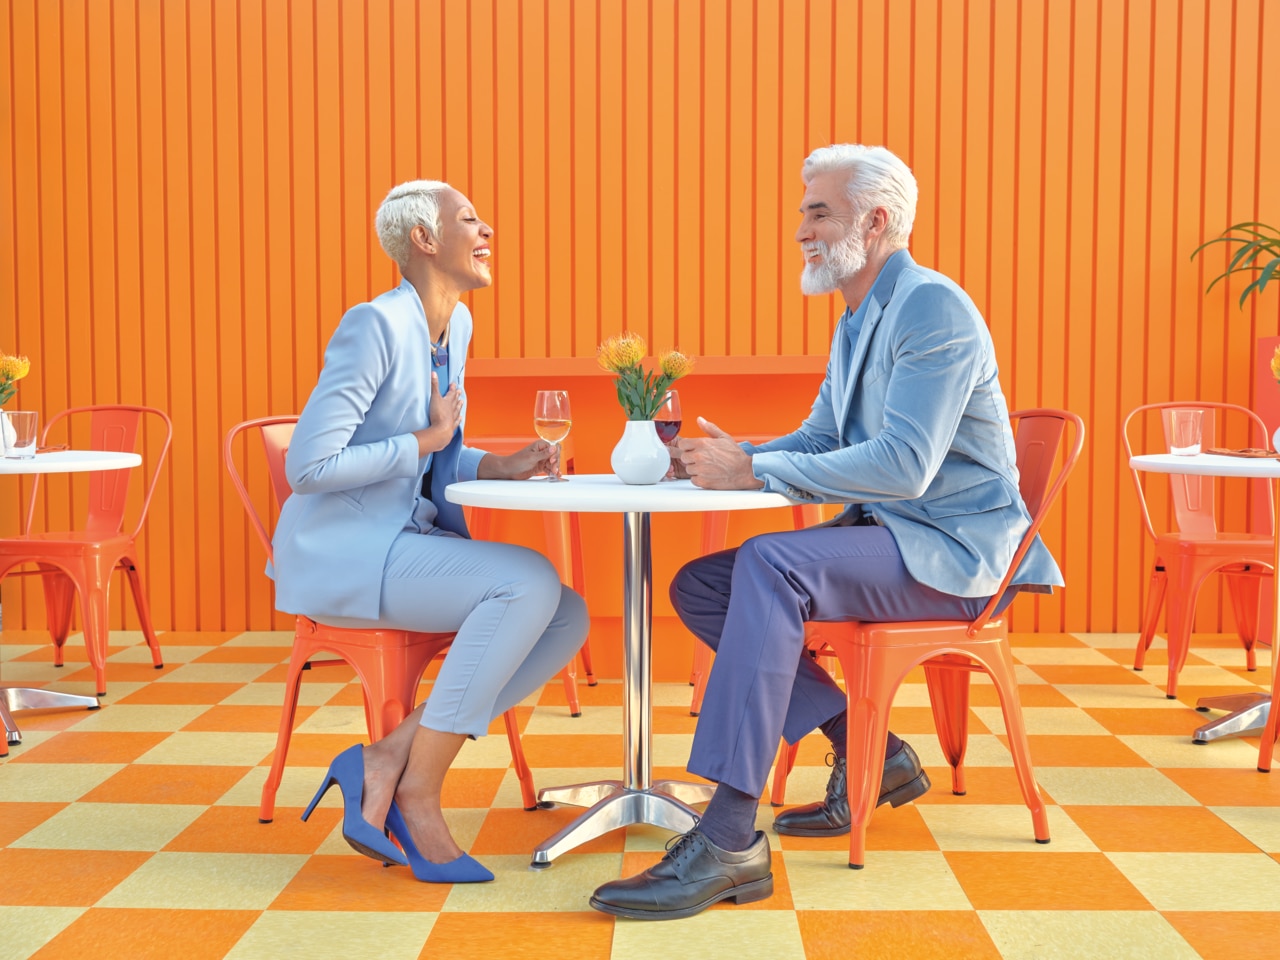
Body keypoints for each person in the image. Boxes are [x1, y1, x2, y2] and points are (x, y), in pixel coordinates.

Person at [589, 144, 1064, 920]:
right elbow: (818, 438)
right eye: (804, 212)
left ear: (874, 222)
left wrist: (756, 475)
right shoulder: (857, 316)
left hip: (949, 546)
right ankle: (872, 750)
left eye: (818, 212)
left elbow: (907, 465)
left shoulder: (931, 307)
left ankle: (729, 837)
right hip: (894, 535)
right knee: (701, 584)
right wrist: (737, 456)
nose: (801, 230)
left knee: (770, 567)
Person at [273, 180, 589, 884]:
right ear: (424, 240)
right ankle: (417, 792)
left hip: (404, 541)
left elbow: (436, 451)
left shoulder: (457, 326)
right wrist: (426, 438)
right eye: (469, 219)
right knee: (526, 581)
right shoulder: (374, 326)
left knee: (566, 614)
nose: (488, 230)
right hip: (348, 552)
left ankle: (387, 755)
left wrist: (497, 464)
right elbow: (310, 465)